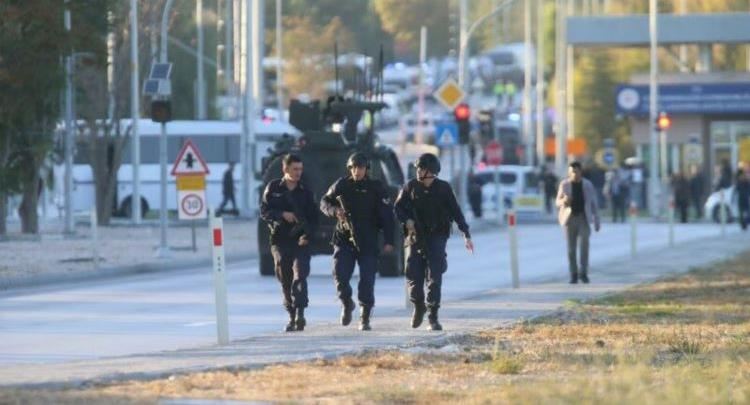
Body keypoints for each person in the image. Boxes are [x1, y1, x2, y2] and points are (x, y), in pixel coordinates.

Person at [394, 153, 474, 331]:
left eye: (421, 169)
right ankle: (418, 306)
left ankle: (433, 316)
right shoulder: (410, 187)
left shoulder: (444, 188)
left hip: (437, 236)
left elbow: (456, 211)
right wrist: (407, 220)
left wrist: (465, 233)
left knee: (434, 277)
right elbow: (398, 208)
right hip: (416, 237)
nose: (418, 172)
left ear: (431, 172)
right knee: (413, 274)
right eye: (418, 168)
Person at [319, 153, 395, 331]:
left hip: (368, 239)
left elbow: (386, 216)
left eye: (360, 168)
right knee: (340, 274)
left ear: (366, 169)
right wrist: (335, 210)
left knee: (367, 279)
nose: (356, 171)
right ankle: (346, 302)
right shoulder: (341, 185)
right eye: (353, 168)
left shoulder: (376, 187)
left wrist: (389, 240)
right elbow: (324, 202)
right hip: (344, 238)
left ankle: (365, 315)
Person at [260, 154, 318, 332]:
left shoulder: (306, 192)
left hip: (300, 241)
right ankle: (291, 314)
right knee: (285, 277)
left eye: (300, 169)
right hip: (280, 240)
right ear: (285, 169)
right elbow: (264, 211)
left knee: (300, 275)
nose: (298, 172)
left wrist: (307, 236)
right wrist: (282, 215)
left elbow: (314, 218)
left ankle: (300, 313)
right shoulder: (273, 188)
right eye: (295, 169)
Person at [556, 161, 601, 284]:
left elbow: (594, 203)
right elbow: (557, 202)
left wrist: (596, 220)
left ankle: (583, 273)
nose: (574, 174)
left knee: (584, 246)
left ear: (580, 172)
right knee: (571, 249)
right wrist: (564, 201)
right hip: (569, 219)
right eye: (571, 172)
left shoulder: (587, 185)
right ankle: (573, 274)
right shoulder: (564, 184)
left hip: (583, 218)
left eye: (576, 172)